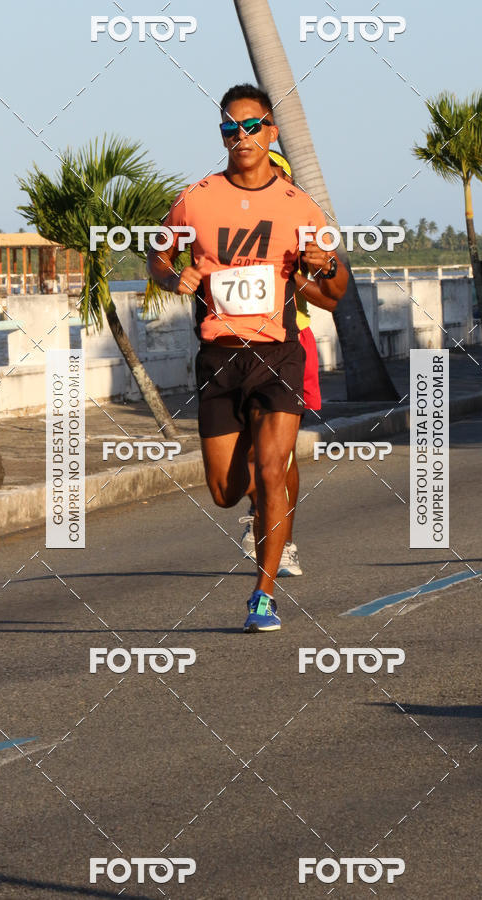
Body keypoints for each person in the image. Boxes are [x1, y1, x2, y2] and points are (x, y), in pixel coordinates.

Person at [147, 84, 348, 632]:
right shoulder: (197, 198)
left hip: (277, 354)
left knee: (270, 470)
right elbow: (158, 254)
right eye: (230, 129)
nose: (242, 137)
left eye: (252, 126)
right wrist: (172, 275)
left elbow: (335, 294)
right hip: (217, 358)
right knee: (225, 491)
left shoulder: (299, 206)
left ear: (271, 132)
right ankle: (258, 503)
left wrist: (320, 268)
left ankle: (263, 594)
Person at [239, 150, 338, 577]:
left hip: (289, 343)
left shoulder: (302, 231)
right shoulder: (225, 224)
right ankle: (258, 509)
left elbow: (327, 292)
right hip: (232, 348)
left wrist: (304, 271)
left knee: (281, 456)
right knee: (242, 452)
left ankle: (285, 540)